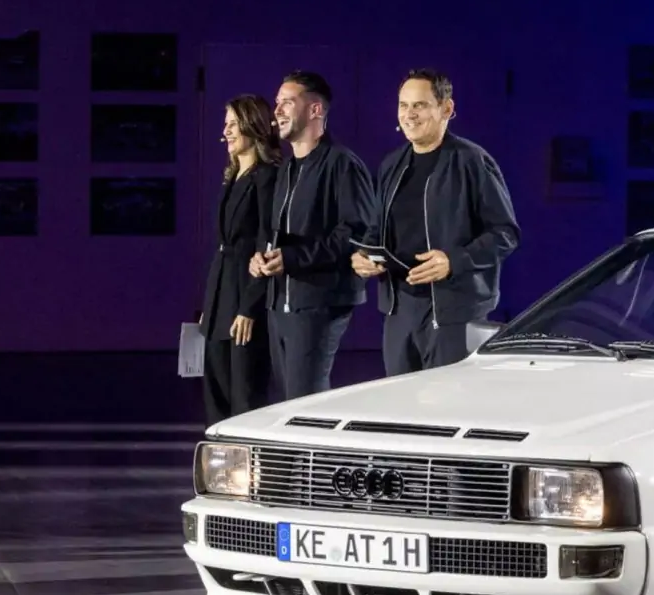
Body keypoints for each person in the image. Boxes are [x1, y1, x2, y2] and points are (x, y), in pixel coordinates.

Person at [351, 68, 520, 376]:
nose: (409, 115)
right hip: (399, 309)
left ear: (447, 108)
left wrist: (454, 261)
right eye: (403, 105)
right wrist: (365, 255)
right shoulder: (392, 164)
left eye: (420, 105)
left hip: (453, 310)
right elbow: (378, 228)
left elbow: (505, 234)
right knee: (399, 400)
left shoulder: (471, 161)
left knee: (448, 399)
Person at [251, 70, 374, 399]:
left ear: (315, 109)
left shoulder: (342, 164)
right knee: (287, 401)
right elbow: (276, 231)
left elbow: (356, 232)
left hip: (319, 303)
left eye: (287, 102)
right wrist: (261, 256)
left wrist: (293, 258)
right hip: (280, 303)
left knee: (304, 400)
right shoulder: (287, 168)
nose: (277, 110)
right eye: (277, 102)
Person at [200, 94, 279, 425]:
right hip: (221, 298)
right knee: (215, 390)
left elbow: (265, 245)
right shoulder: (232, 176)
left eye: (233, 124)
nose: (226, 132)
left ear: (253, 125)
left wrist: (249, 307)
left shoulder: (267, 177)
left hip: (244, 298)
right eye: (226, 124)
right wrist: (210, 305)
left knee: (245, 393)